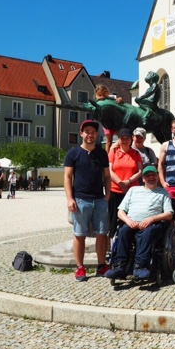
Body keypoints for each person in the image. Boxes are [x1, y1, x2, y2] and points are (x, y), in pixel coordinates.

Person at [105, 166, 175, 280]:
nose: (151, 177)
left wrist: (151, 219)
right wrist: (128, 221)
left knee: (148, 233)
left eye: (153, 175)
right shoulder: (133, 190)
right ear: (143, 179)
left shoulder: (163, 193)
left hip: (151, 224)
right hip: (131, 223)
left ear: (157, 177)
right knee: (123, 231)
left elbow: (169, 214)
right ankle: (120, 266)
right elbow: (120, 211)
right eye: (148, 176)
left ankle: (140, 266)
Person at [64, 120, 112, 282]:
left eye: (93, 132)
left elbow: (106, 176)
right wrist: (70, 198)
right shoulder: (73, 153)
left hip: (99, 199)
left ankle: (101, 265)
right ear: (82, 134)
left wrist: (107, 196)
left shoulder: (101, 153)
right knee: (79, 234)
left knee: (102, 234)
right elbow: (68, 177)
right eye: (87, 131)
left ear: (96, 135)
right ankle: (80, 267)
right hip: (80, 199)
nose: (90, 134)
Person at [108, 128, 143, 239]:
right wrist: (120, 182)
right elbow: (109, 170)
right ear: (118, 139)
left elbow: (140, 171)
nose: (124, 141)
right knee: (113, 220)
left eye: (127, 138)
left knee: (130, 219)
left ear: (131, 139)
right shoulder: (113, 151)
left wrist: (129, 181)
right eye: (122, 138)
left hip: (132, 191)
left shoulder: (136, 153)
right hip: (115, 190)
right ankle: (113, 246)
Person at [95, 85, 124, 153]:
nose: (103, 95)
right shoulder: (98, 100)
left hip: (114, 121)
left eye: (104, 93)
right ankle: (107, 156)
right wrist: (100, 97)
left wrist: (120, 99)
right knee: (109, 141)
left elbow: (119, 98)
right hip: (107, 122)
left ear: (107, 92)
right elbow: (97, 99)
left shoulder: (111, 97)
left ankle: (121, 151)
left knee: (122, 136)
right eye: (100, 94)